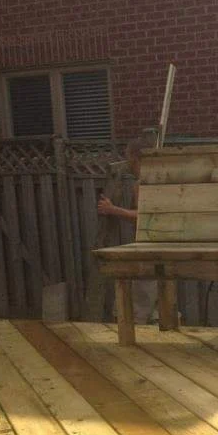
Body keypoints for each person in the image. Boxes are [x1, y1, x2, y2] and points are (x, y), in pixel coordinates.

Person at [97, 132, 158, 323]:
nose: (127, 162)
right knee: (157, 299)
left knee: (140, 301)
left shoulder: (143, 184)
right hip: (160, 246)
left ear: (135, 157)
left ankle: (137, 336)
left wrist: (112, 209)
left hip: (149, 246)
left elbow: (145, 217)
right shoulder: (159, 180)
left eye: (128, 156)